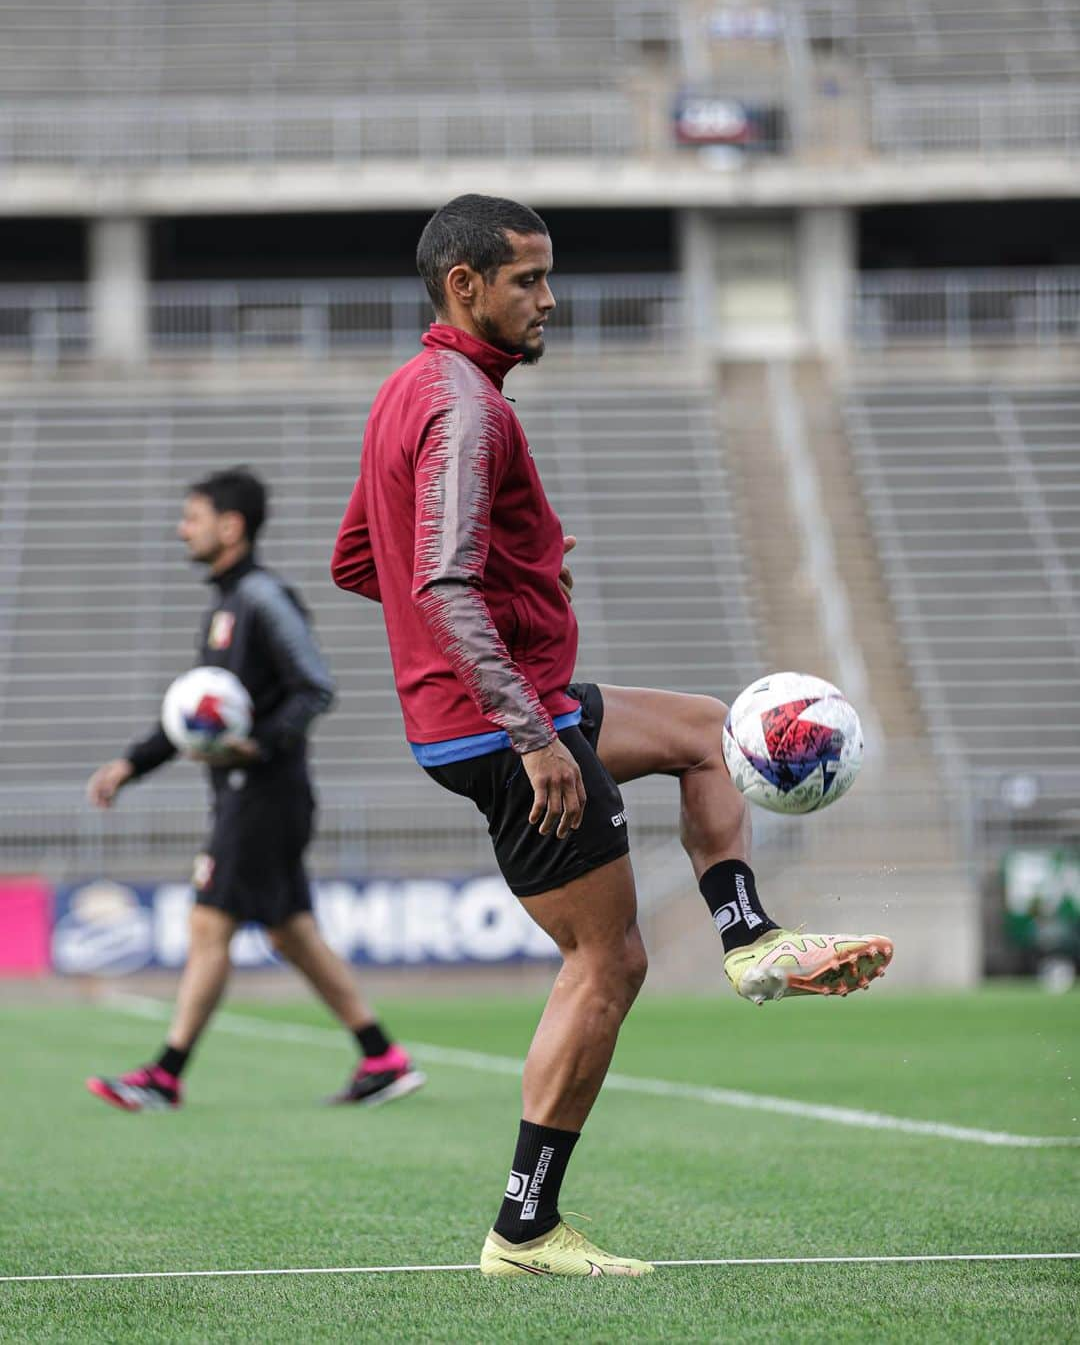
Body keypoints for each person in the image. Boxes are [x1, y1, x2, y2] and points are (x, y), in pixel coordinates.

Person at [331, 195, 892, 1278]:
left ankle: (749, 936)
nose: (551, 298)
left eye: (548, 276)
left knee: (710, 732)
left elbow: (365, 561)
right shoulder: (469, 411)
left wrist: (526, 570)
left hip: (503, 701)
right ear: (466, 286)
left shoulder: (411, 391)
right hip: (504, 725)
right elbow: (436, 579)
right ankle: (525, 1226)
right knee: (608, 959)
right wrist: (532, 732)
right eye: (528, 280)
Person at [86, 467, 423, 1113]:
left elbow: (315, 686)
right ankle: (382, 1056)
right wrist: (131, 763)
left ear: (230, 525)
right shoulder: (227, 606)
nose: (182, 528)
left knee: (209, 919)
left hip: (263, 794)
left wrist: (260, 743)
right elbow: (195, 715)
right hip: (257, 793)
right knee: (290, 932)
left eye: (193, 516)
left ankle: (166, 1073)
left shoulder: (263, 598)